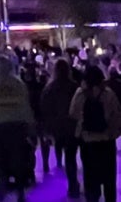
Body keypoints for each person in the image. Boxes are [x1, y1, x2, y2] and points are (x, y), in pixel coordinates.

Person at [0, 53, 34, 202]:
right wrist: (30, 125)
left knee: (1, 161)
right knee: (18, 160)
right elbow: (25, 105)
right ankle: (20, 192)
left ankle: (2, 190)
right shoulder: (18, 84)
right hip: (17, 126)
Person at [69, 65, 121, 202]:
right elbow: (116, 115)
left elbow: (73, 113)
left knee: (90, 176)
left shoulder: (80, 93)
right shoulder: (108, 94)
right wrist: (120, 133)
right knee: (109, 178)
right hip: (106, 140)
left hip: (87, 141)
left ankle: (92, 198)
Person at [39, 59, 80, 199]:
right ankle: (73, 184)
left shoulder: (49, 89)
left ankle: (58, 161)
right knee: (71, 156)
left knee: (59, 145)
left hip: (57, 126)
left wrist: (46, 126)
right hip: (71, 125)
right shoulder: (74, 87)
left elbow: (44, 108)